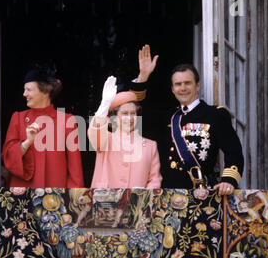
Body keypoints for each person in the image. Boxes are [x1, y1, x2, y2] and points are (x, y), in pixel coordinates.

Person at [136, 45, 244, 195]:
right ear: (173, 89)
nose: (183, 88)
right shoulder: (168, 117)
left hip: (203, 196)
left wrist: (228, 180)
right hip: (169, 196)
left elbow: (234, 152)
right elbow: (136, 113)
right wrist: (143, 76)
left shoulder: (215, 115)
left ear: (197, 85)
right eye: (178, 84)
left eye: (187, 83)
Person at [2, 67, 84, 188]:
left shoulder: (67, 121)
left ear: (45, 92)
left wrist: (73, 198)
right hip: (23, 194)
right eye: (24, 90)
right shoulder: (18, 118)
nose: (24, 94)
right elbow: (7, 157)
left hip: (56, 195)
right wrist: (26, 143)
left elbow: (75, 169)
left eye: (29, 90)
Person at [87, 76, 162, 189]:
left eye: (133, 113)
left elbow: (155, 179)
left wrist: (144, 195)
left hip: (137, 205)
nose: (130, 118)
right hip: (105, 203)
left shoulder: (150, 146)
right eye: (125, 113)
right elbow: (94, 132)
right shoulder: (106, 140)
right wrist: (104, 105)